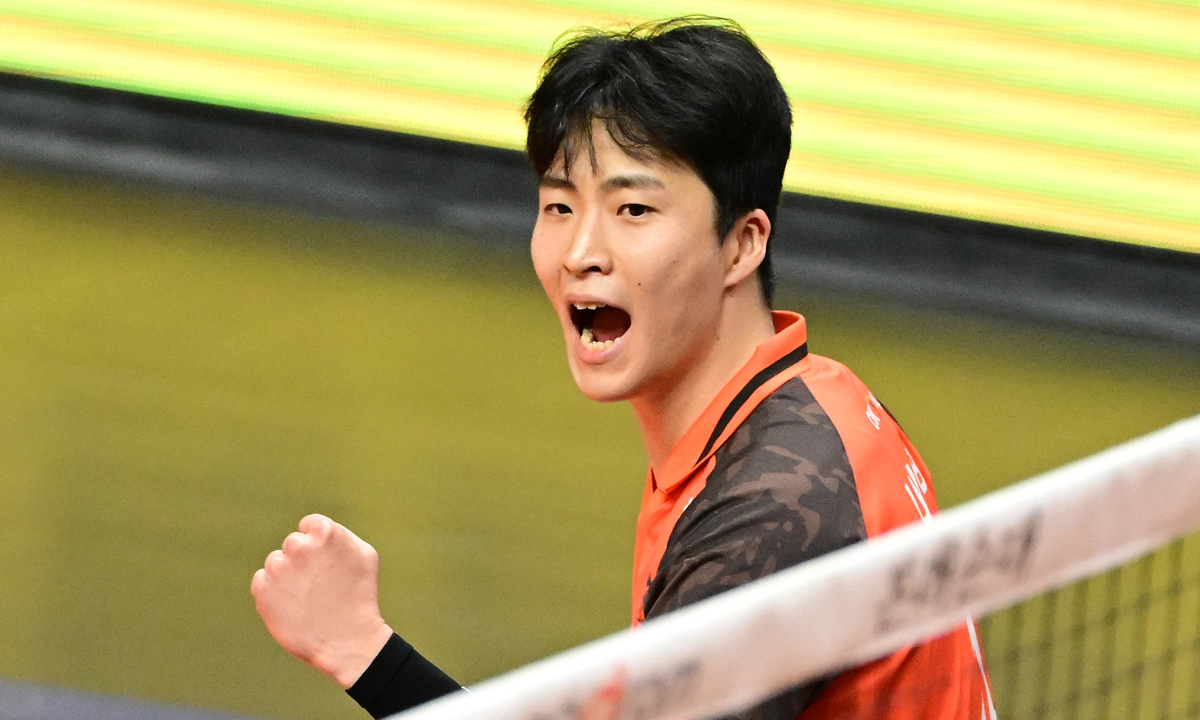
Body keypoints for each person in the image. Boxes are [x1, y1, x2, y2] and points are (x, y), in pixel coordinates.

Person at [250, 18, 995, 720]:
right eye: (559, 207)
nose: (582, 253)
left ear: (742, 243)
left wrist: (362, 651)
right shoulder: (812, 398)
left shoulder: (775, 509)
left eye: (633, 210)